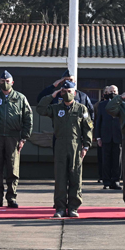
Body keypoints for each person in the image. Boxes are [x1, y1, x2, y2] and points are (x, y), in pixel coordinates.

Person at [37, 79, 93, 218]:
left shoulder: (81, 108)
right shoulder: (56, 108)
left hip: (76, 145)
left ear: (74, 93)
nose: (67, 94)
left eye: (69, 91)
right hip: (60, 144)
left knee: (75, 177)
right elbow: (40, 109)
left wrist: (86, 145)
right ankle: (60, 208)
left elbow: (87, 128)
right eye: (64, 91)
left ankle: (73, 207)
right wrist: (52, 95)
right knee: (60, 178)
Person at [0, 70, 33, 208]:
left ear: (12, 83)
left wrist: (24, 137)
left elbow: (28, 118)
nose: (5, 83)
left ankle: (11, 198)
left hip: (13, 137)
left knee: (12, 170)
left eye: (7, 81)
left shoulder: (20, 98)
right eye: (2, 81)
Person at [95, 84, 122, 190]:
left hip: (118, 137)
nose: (112, 93)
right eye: (110, 91)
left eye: (114, 91)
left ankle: (116, 181)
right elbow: (98, 121)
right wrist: (98, 137)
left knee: (117, 161)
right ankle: (106, 182)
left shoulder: (122, 104)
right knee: (106, 160)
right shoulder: (101, 105)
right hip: (105, 136)